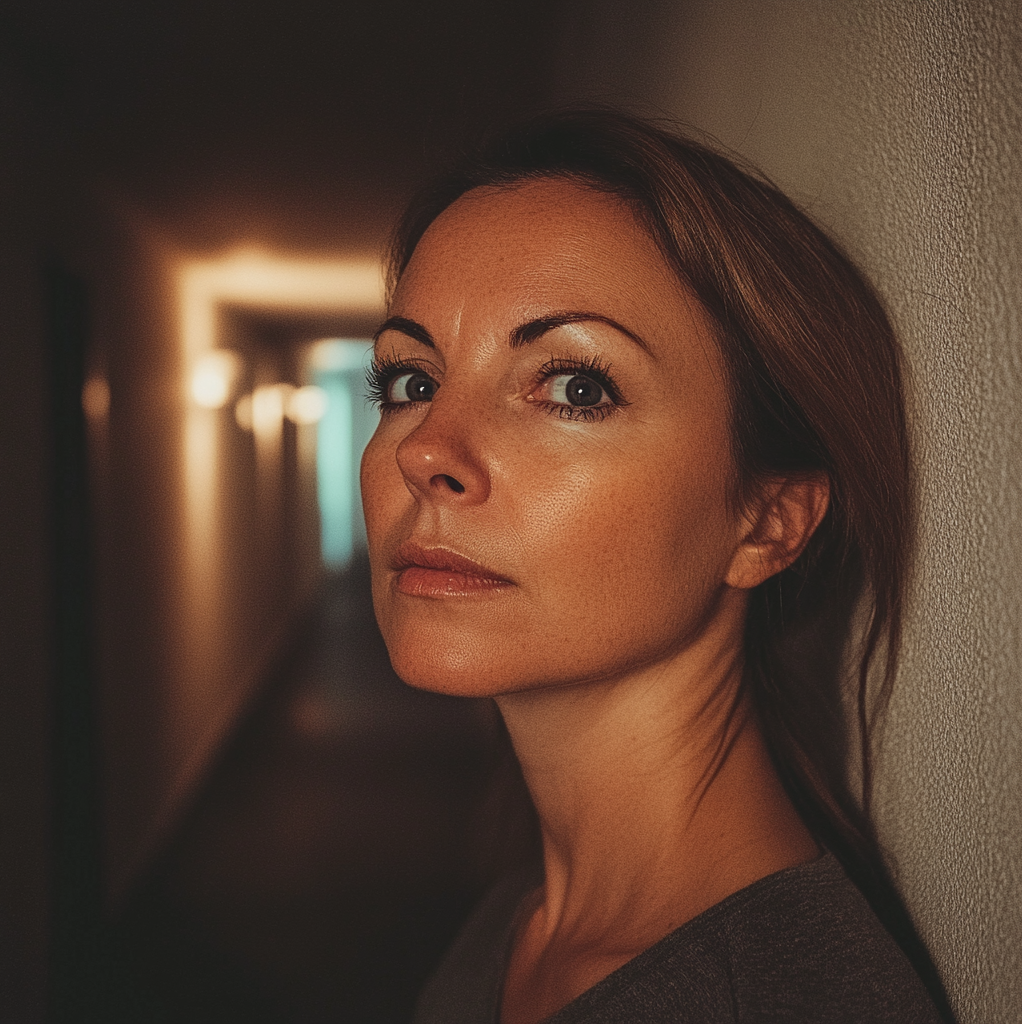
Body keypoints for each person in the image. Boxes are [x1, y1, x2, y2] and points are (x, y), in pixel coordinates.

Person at [359, 109, 952, 1023]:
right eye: (413, 381)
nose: (425, 448)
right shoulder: (525, 915)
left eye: (575, 387)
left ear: (768, 523)